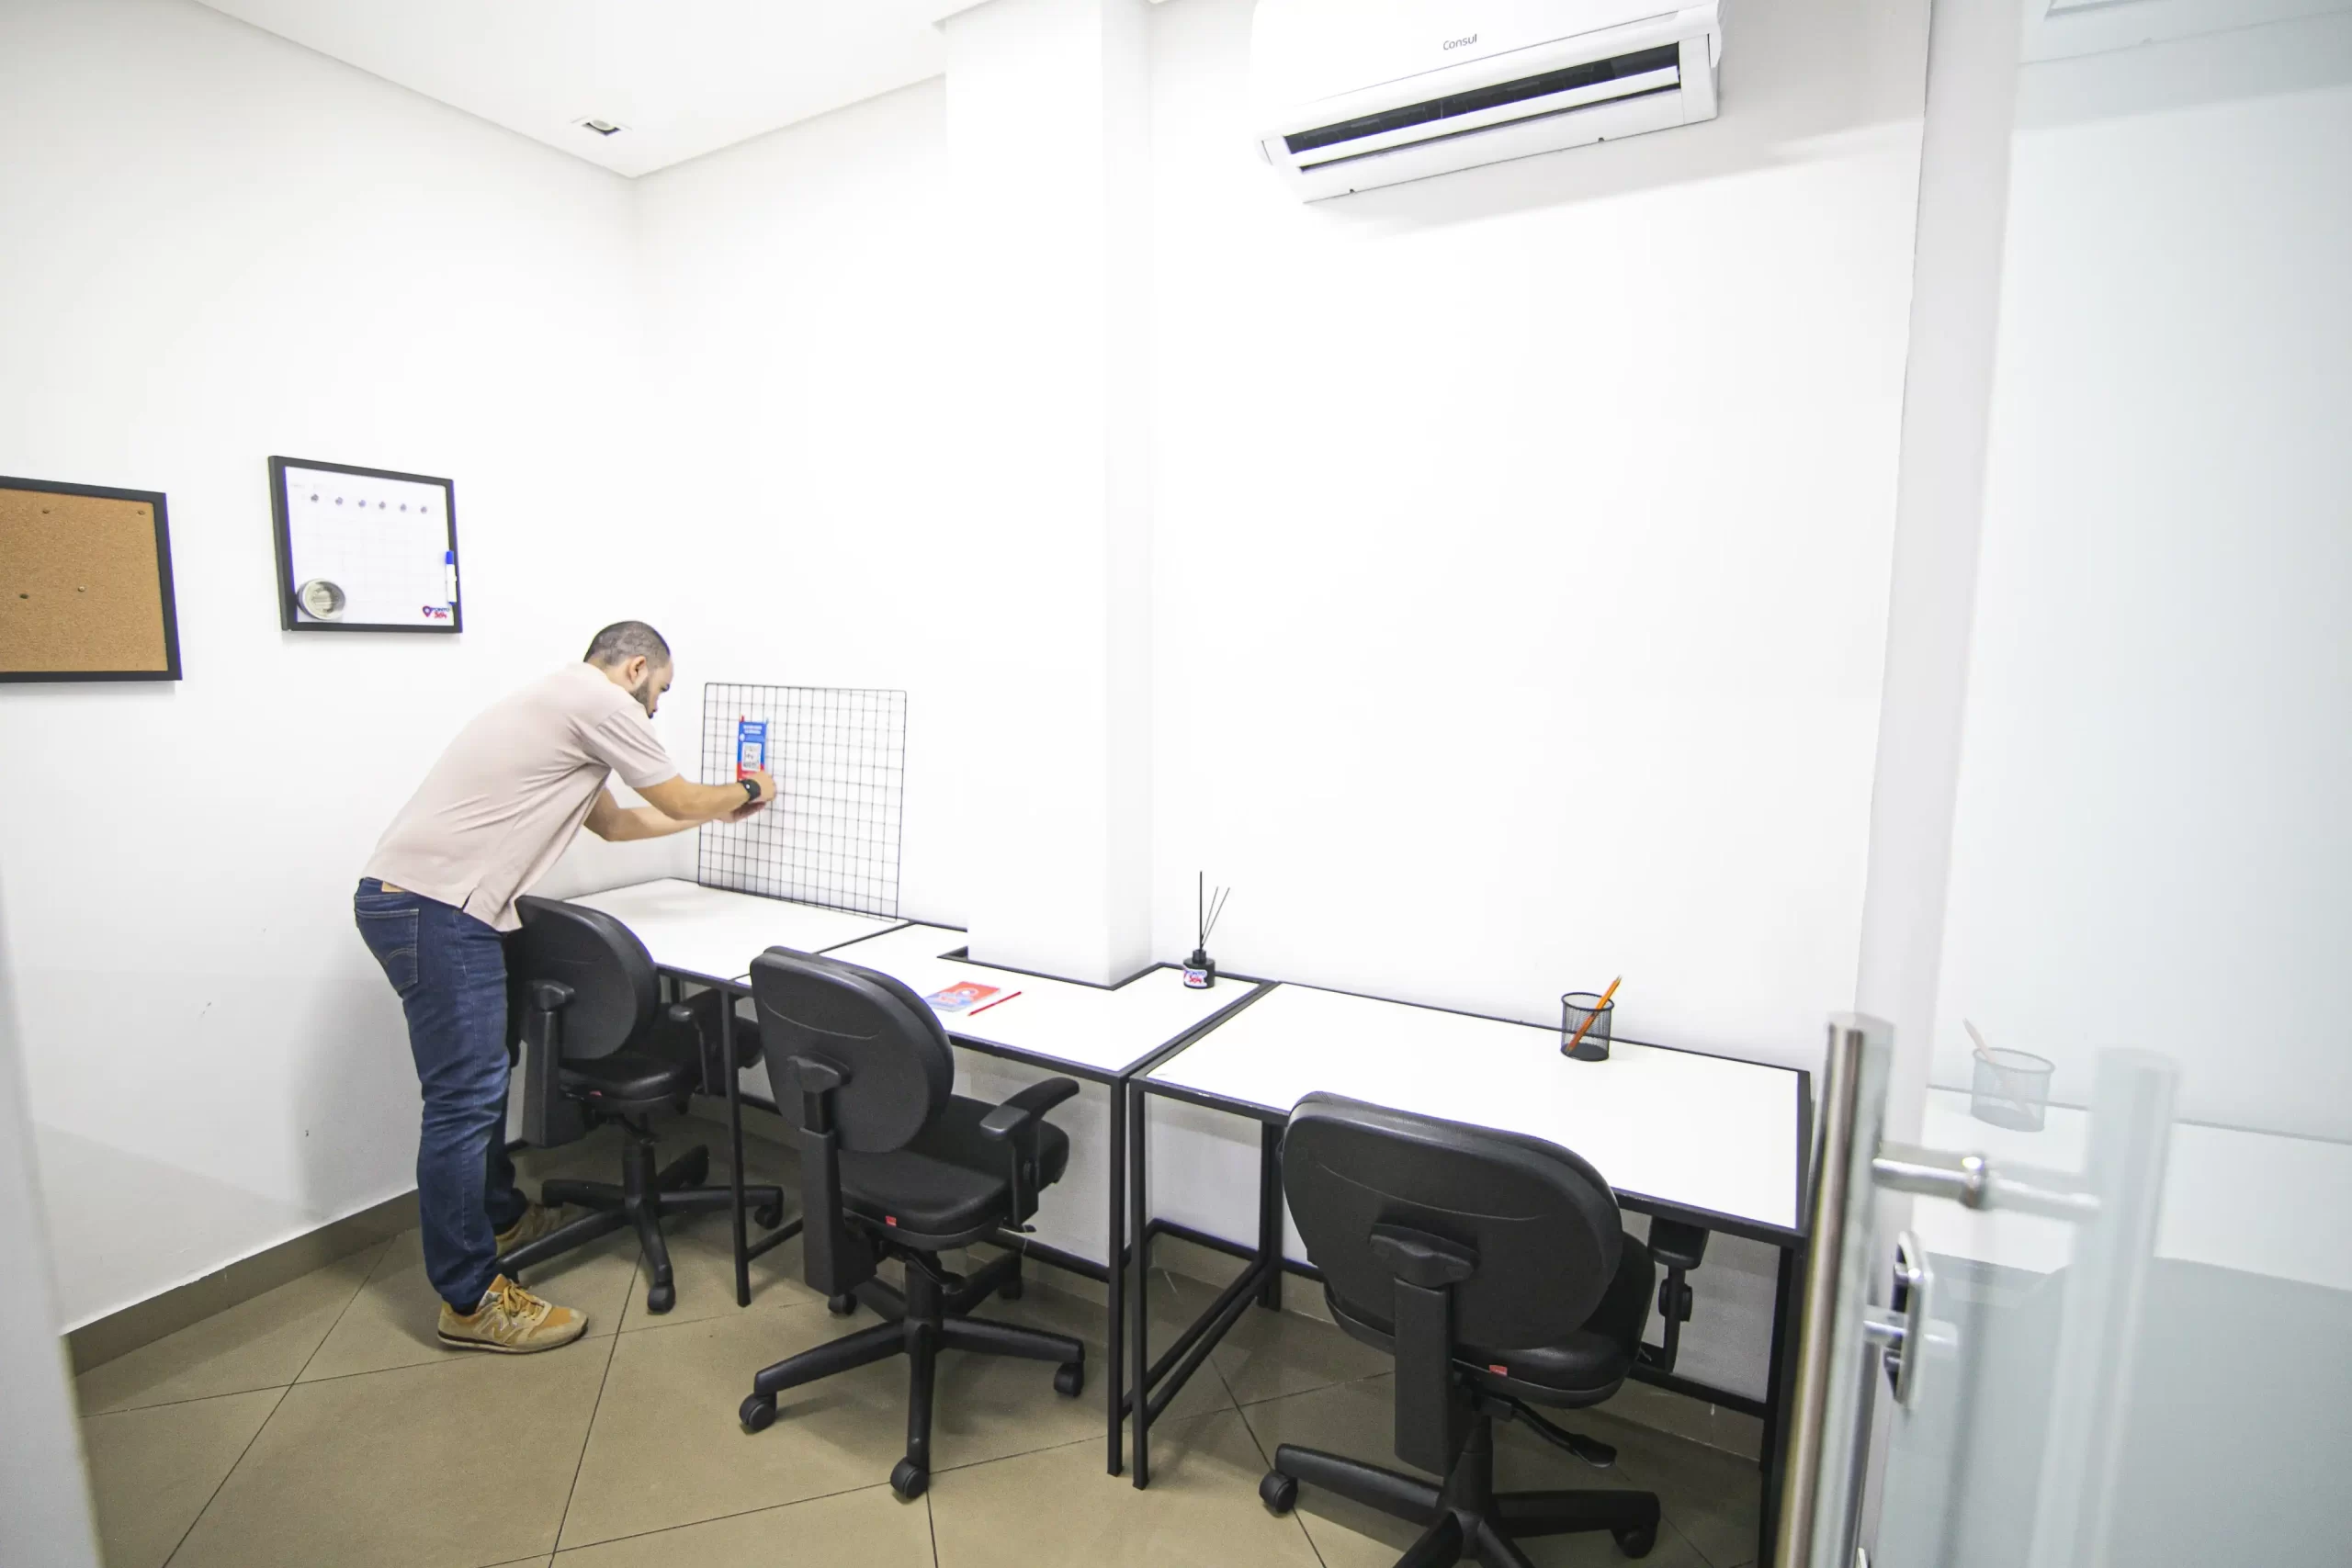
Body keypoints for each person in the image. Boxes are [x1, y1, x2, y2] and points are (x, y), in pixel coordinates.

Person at [354, 622, 775, 1352]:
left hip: (423, 902)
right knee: (463, 1103)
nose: (654, 710)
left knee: (481, 1084)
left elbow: (614, 824)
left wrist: (714, 808)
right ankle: (470, 1300)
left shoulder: (557, 705)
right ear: (636, 667)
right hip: (437, 909)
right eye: (660, 691)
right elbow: (678, 799)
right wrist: (747, 788)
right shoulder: (599, 701)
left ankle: (501, 1219)